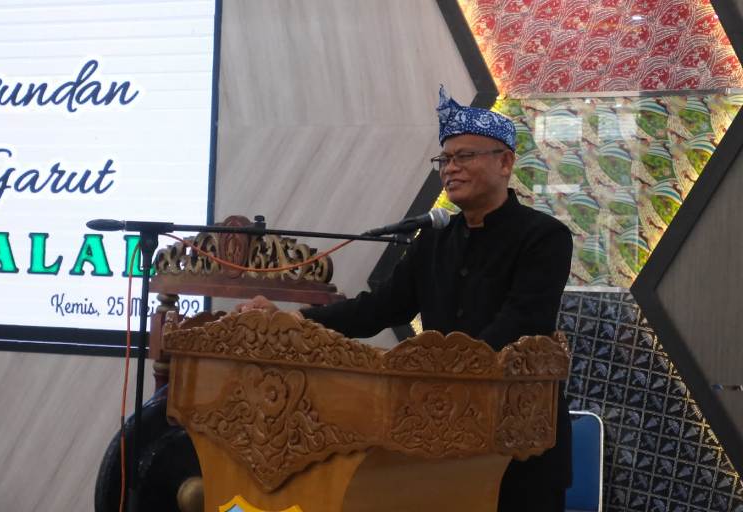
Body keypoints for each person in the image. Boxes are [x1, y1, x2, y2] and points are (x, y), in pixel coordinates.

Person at [237, 85, 573, 511]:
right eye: (445, 160)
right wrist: (295, 321)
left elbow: (521, 322)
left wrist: (440, 375)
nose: (451, 169)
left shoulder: (544, 237)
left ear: (504, 162)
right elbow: (381, 308)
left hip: (518, 441)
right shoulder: (434, 240)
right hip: (442, 436)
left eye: (464, 157)